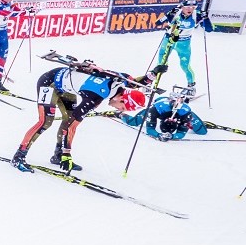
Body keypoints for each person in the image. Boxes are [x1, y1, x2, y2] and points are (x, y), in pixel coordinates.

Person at [11, 61, 165, 172]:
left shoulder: (122, 82)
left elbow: (136, 83)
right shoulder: (95, 97)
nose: (120, 110)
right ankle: (19, 156)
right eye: (123, 107)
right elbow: (72, 126)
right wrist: (68, 154)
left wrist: (153, 74)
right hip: (50, 82)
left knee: (67, 118)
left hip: (67, 87)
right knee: (46, 121)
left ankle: (57, 155)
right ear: (121, 98)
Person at [154, 0, 212, 95]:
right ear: (182, 7)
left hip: (184, 43)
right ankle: (151, 83)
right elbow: (158, 23)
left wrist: (205, 18)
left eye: (193, 7)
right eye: (187, 7)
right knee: (161, 63)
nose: (190, 9)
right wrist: (169, 13)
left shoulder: (196, 15)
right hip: (169, 41)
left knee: (185, 65)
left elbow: (209, 29)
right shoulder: (176, 13)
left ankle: (191, 87)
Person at [119, 86, 207, 141]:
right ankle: (120, 114)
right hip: (163, 106)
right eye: (172, 121)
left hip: (175, 110)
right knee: (134, 122)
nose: (171, 119)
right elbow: (181, 133)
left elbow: (150, 129)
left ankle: (120, 114)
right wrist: (170, 136)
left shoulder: (185, 114)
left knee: (202, 132)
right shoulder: (155, 110)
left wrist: (165, 135)